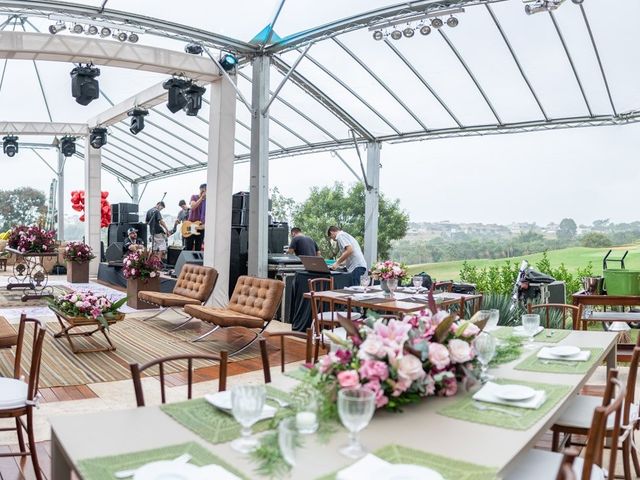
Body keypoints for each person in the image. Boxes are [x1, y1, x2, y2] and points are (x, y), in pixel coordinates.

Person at [186, 183, 206, 251]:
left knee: (198, 246)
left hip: (201, 226)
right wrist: (201, 198)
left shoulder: (208, 201)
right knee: (189, 245)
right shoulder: (194, 197)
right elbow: (193, 207)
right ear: (202, 190)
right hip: (191, 225)